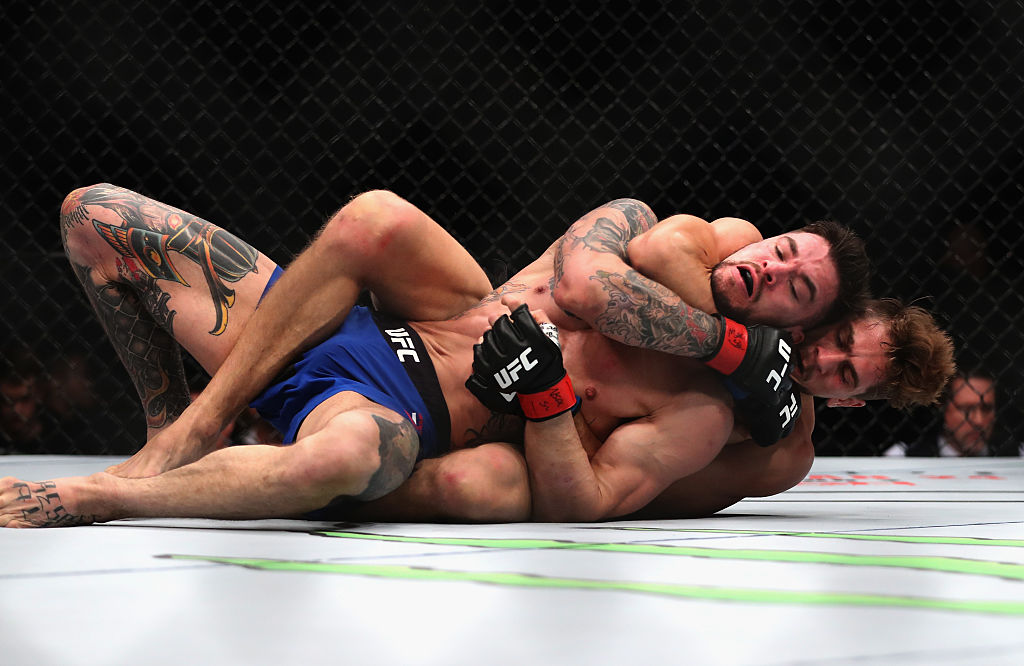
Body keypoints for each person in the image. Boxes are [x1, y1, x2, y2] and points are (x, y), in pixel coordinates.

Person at [0, 185, 950, 526]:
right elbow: (590, 286)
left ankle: (104, 496)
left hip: (401, 413)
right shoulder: (672, 235)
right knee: (95, 218)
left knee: (358, 460)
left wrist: (545, 401)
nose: (768, 271)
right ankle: (179, 427)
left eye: (796, 294)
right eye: (780, 253)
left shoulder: (709, 418)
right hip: (345, 331)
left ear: (802, 328)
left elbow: (590, 503)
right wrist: (736, 347)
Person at [884, 369, 1021, 457]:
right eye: (966, 409)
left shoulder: (1018, 455)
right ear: (943, 408)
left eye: (986, 408)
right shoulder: (903, 456)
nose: (978, 421)